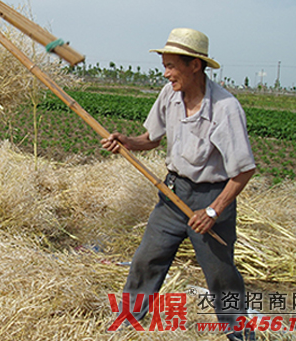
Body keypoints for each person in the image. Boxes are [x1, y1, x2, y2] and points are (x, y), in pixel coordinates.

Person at [101, 28, 256, 340]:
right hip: (172, 196)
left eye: (172, 66)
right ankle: (127, 322)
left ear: (194, 65)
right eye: (165, 66)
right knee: (146, 259)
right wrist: (127, 142)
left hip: (211, 198)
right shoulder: (169, 96)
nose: (166, 74)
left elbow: (243, 171)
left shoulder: (225, 109)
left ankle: (240, 335)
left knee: (221, 275)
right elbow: (151, 139)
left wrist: (212, 211)